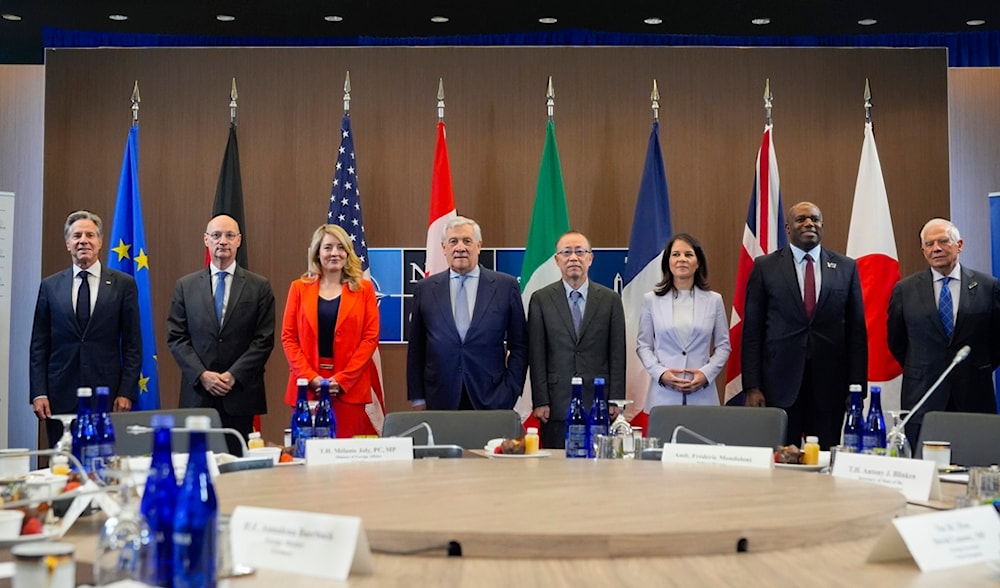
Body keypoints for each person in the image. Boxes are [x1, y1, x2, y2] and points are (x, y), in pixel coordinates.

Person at [741, 202, 867, 449]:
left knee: (826, 459)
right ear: (788, 228)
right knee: (780, 461)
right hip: (779, 385)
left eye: (815, 219)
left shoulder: (846, 267)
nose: (809, 223)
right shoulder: (765, 267)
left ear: (822, 226)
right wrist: (752, 386)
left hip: (831, 386)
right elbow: (752, 332)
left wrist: (857, 388)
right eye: (801, 219)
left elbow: (856, 333)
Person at [30, 210, 142, 447]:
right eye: (77, 235)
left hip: (106, 395)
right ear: (68, 243)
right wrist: (39, 392)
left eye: (90, 235)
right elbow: (39, 345)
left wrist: (126, 392)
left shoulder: (123, 285)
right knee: (63, 464)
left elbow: (133, 344)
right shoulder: (50, 286)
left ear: (100, 242)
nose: (83, 240)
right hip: (60, 396)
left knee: (102, 462)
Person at [166, 214, 275, 454]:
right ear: (206, 240)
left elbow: (263, 340)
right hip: (198, 396)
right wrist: (202, 374)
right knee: (196, 466)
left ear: (239, 240)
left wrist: (233, 375)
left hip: (240, 396)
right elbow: (177, 337)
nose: (222, 241)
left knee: (239, 473)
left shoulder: (259, 286)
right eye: (216, 235)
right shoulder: (186, 286)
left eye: (229, 235)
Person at [887, 218, 1000, 444]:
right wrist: (925, 365)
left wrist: (975, 367)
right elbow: (897, 342)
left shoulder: (988, 286)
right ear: (923, 250)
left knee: (975, 465)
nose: (936, 248)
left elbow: (996, 341)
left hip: (974, 395)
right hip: (923, 394)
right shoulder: (905, 290)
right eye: (929, 244)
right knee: (925, 469)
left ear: (959, 245)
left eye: (943, 241)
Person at [407, 216, 528, 410]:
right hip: (439, 397)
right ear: (444, 248)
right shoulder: (425, 289)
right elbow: (417, 347)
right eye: (453, 241)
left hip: (492, 397)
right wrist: (418, 397)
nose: (460, 247)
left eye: (467, 241)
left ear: (479, 246)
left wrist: (511, 389)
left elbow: (520, 345)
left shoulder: (506, 286)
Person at [527, 231, 626, 449]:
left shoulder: (610, 300)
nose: (573, 258)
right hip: (556, 404)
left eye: (580, 252)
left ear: (590, 258)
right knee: (556, 471)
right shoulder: (541, 300)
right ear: (557, 260)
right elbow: (536, 354)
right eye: (567, 252)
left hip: (598, 403)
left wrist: (615, 399)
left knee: (597, 471)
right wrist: (540, 400)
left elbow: (618, 353)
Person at [281, 224, 380, 438]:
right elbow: (288, 338)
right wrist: (310, 378)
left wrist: (343, 381)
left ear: (347, 252)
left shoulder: (364, 290)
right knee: (307, 456)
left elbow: (370, 339)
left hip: (349, 388)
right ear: (317, 252)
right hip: (307, 388)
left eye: (340, 247)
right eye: (327, 248)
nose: (334, 253)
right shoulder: (298, 288)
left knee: (345, 462)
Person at [636, 234, 731, 411]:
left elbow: (724, 346)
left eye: (688, 255)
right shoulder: (651, 300)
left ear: (698, 263)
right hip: (663, 396)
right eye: (676, 254)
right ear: (668, 262)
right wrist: (661, 374)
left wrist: (705, 374)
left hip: (702, 395)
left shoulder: (714, 300)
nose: (682, 260)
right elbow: (643, 346)